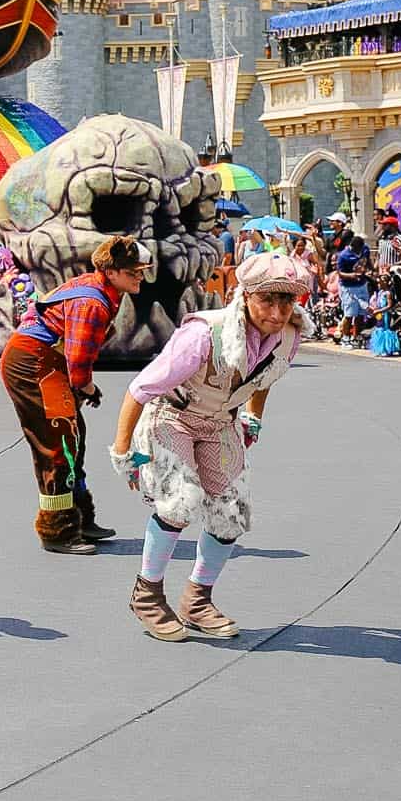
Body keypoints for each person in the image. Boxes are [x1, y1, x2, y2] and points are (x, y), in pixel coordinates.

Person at [110, 251, 314, 641]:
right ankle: (148, 595)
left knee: (231, 511)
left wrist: (253, 416)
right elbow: (139, 390)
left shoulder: (288, 336)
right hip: (172, 415)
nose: (276, 311)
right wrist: (124, 454)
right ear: (246, 296)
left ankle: (197, 599)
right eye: (267, 299)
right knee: (179, 502)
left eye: (286, 300)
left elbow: (265, 375)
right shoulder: (206, 334)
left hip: (220, 422)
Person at [0, 236, 149, 554]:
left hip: (46, 361)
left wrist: (79, 386)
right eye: (133, 271)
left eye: (141, 270)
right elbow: (78, 360)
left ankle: (80, 517)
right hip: (32, 362)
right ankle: (58, 530)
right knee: (57, 444)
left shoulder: (105, 289)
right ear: (111, 271)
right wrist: (87, 387)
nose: (140, 276)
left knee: (73, 437)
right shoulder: (93, 302)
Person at [335, 231, 373, 341]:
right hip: (348, 288)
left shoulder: (365, 249)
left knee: (361, 312)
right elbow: (340, 273)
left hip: (362, 285)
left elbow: (368, 261)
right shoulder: (343, 256)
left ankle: (357, 336)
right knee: (350, 313)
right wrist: (352, 275)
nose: (359, 251)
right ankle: (346, 338)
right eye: (357, 249)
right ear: (352, 247)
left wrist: (371, 270)